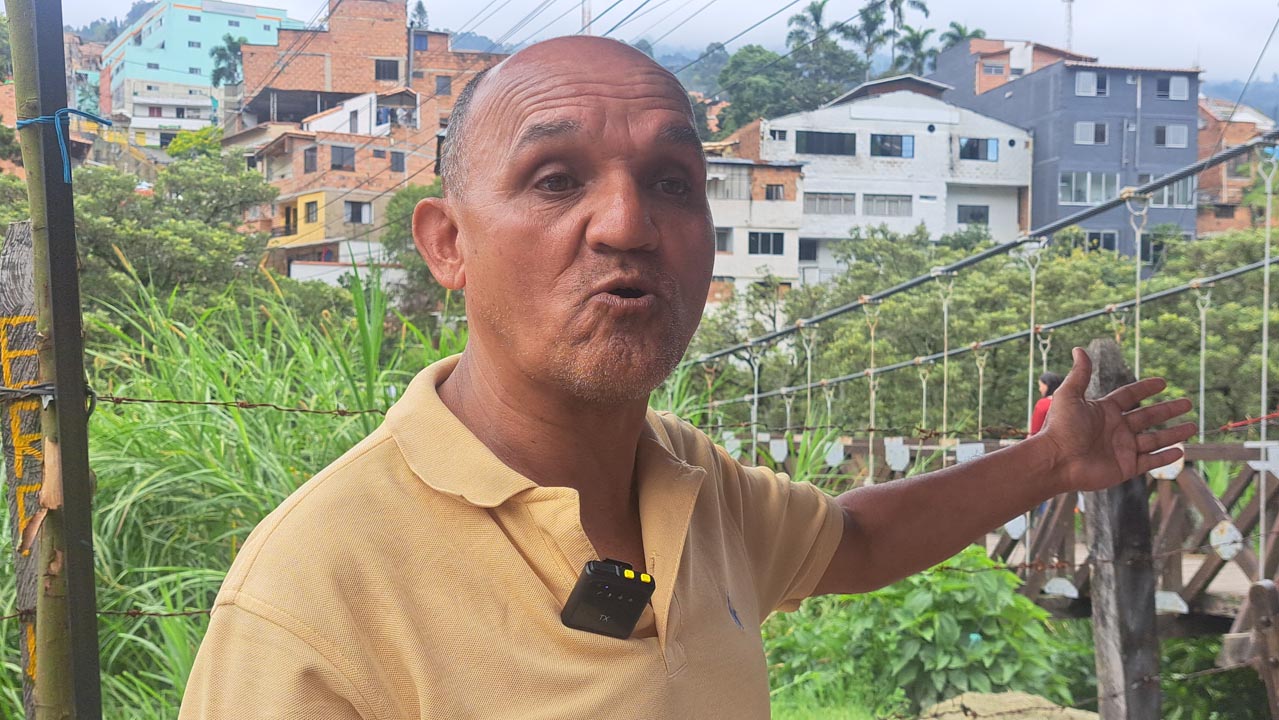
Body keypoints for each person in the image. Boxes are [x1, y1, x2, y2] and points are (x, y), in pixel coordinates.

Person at [178, 37, 1195, 719]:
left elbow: (854, 541)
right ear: (448, 244)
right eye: (555, 180)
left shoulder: (691, 483)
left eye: (672, 183)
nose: (628, 225)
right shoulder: (314, 594)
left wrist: (1051, 461)